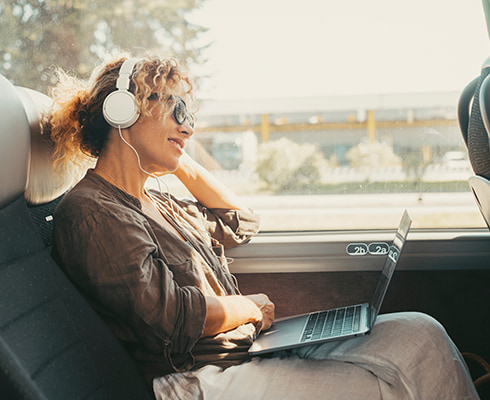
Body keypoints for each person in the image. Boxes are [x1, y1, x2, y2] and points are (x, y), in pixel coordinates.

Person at [49, 54, 479, 400]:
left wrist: (176, 156)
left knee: (421, 333)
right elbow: (171, 317)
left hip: (242, 351)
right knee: (390, 388)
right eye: (175, 108)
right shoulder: (92, 211)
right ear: (125, 110)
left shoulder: (156, 200)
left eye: (188, 112)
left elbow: (240, 222)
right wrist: (250, 306)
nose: (189, 124)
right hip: (194, 378)